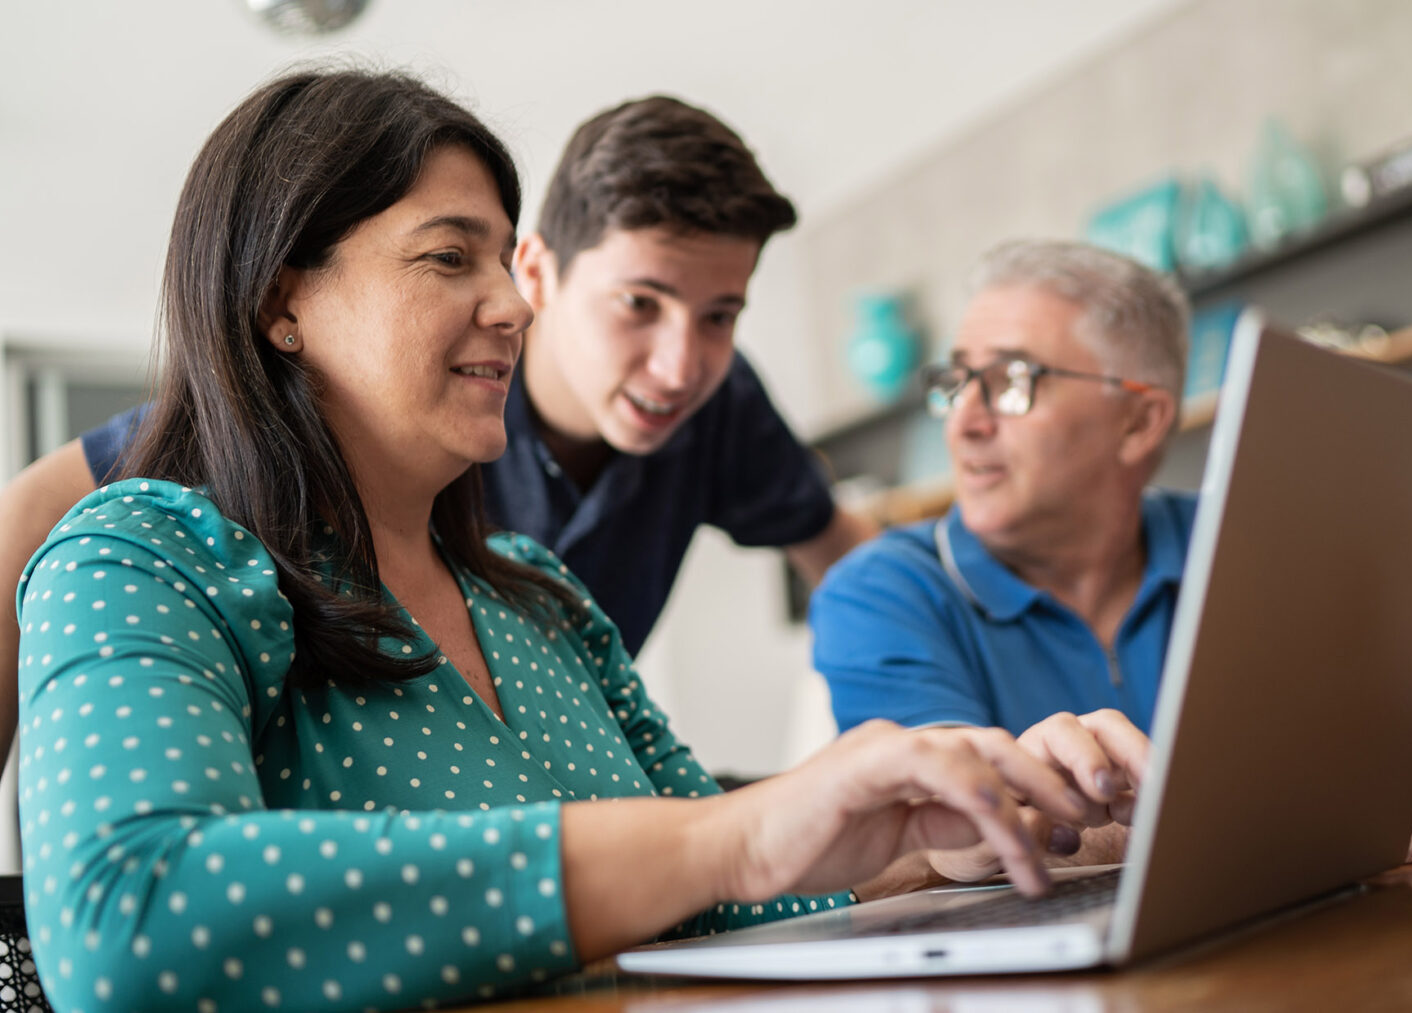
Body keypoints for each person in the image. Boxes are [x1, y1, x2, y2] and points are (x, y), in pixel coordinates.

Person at [14, 71, 1142, 1012]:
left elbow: (727, 893)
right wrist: (734, 838)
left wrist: (930, 836)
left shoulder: (543, 598)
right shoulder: (144, 556)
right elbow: (127, 919)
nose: (510, 303)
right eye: (450, 258)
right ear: (281, 302)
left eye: (504, 260)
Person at [0, 90, 873, 769]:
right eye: (639, 304)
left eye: (721, 316)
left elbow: (848, 558)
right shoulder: (158, 534)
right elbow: (38, 505)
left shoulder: (715, 415)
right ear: (542, 272)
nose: (681, 365)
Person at [809, 238, 1412, 864]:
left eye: (1009, 381)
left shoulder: (1237, 529)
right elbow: (942, 840)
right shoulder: (877, 591)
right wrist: (1316, 799)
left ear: (1141, 422)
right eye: (955, 382)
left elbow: (1398, 715)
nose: (965, 422)